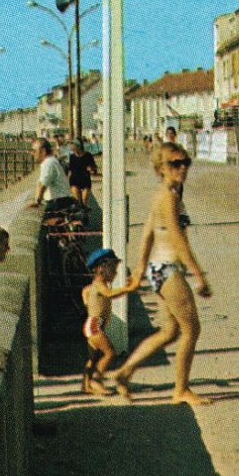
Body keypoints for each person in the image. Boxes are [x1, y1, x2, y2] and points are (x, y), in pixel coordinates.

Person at [112, 144, 212, 405]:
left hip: (158, 269)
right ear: (160, 170)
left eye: (185, 162)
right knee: (191, 330)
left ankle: (124, 372)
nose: (182, 168)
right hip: (168, 269)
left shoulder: (165, 194)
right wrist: (199, 275)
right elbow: (178, 239)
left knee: (170, 331)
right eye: (174, 164)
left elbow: (147, 233)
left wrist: (139, 270)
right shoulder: (168, 197)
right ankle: (181, 390)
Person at [81, 248, 138, 395]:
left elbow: (87, 293)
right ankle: (96, 380)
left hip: (92, 325)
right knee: (109, 353)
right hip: (94, 326)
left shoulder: (94, 286)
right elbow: (110, 294)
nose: (115, 273)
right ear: (101, 268)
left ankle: (86, 384)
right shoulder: (100, 285)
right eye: (112, 269)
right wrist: (128, 288)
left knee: (93, 358)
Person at [28, 137, 75, 212]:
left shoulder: (49, 163)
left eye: (33, 151)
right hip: (62, 200)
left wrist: (36, 201)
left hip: (59, 202)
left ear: (43, 151)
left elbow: (42, 185)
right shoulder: (51, 161)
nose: (32, 153)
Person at [65, 141, 98, 209]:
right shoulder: (72, 156)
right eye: (71, 149)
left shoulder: (88, 155)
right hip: (74, 180)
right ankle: (81, 216)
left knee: (84, 201)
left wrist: (91, 168)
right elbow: (70, 170)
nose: (72, 150)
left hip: (85, 179)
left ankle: (84, 213)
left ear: (78, 146)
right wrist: (67, 181)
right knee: (77, 202)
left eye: (73, 148)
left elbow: (94, 167)